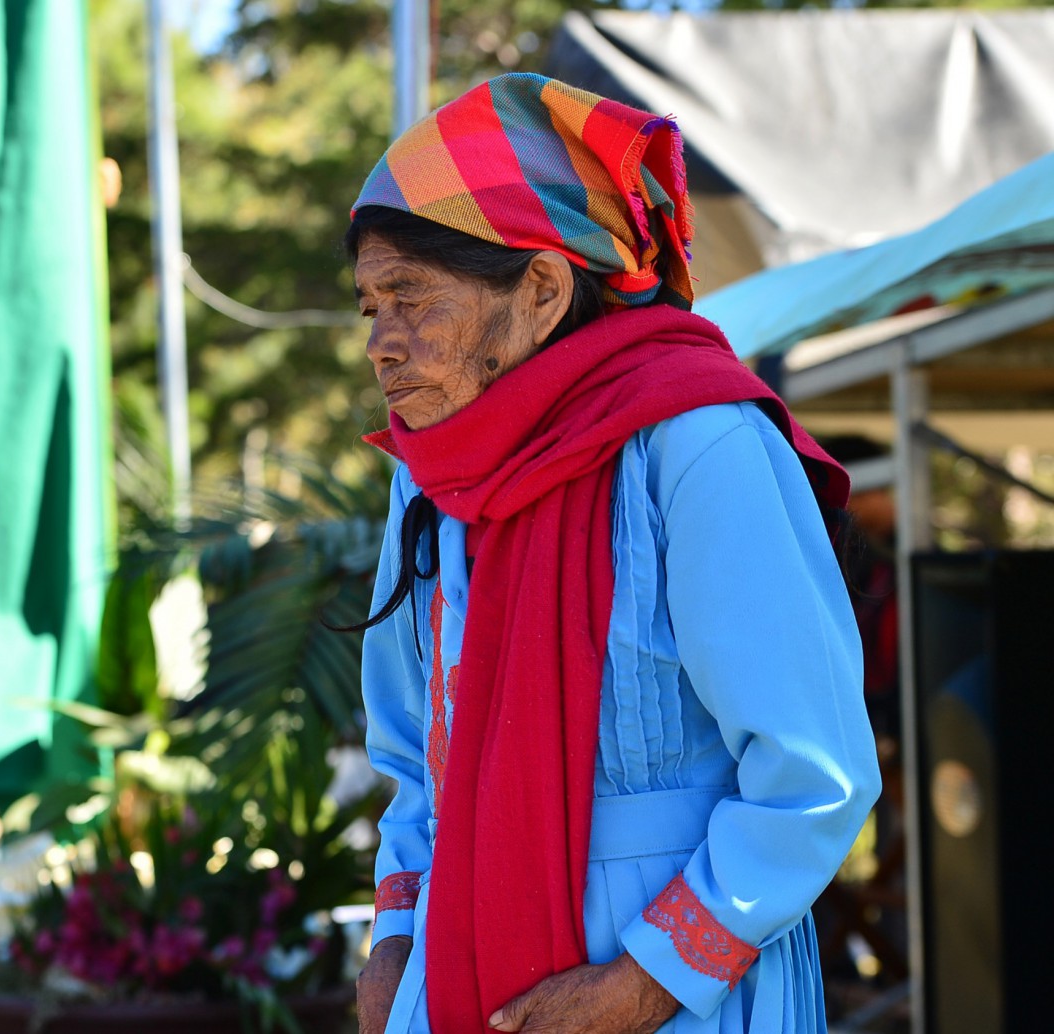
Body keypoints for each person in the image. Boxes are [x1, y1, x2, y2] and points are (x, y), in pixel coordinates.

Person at [347, 75, 879, 1033]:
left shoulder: (701, 443)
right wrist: (394, 947)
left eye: (411, 298)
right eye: (369, 307)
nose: (382, 345)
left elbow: (814, 774)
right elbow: (415, 761)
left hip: (688, 990)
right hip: (455, 965)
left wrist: (643, 984)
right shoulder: (426, 479)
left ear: (544, 288)